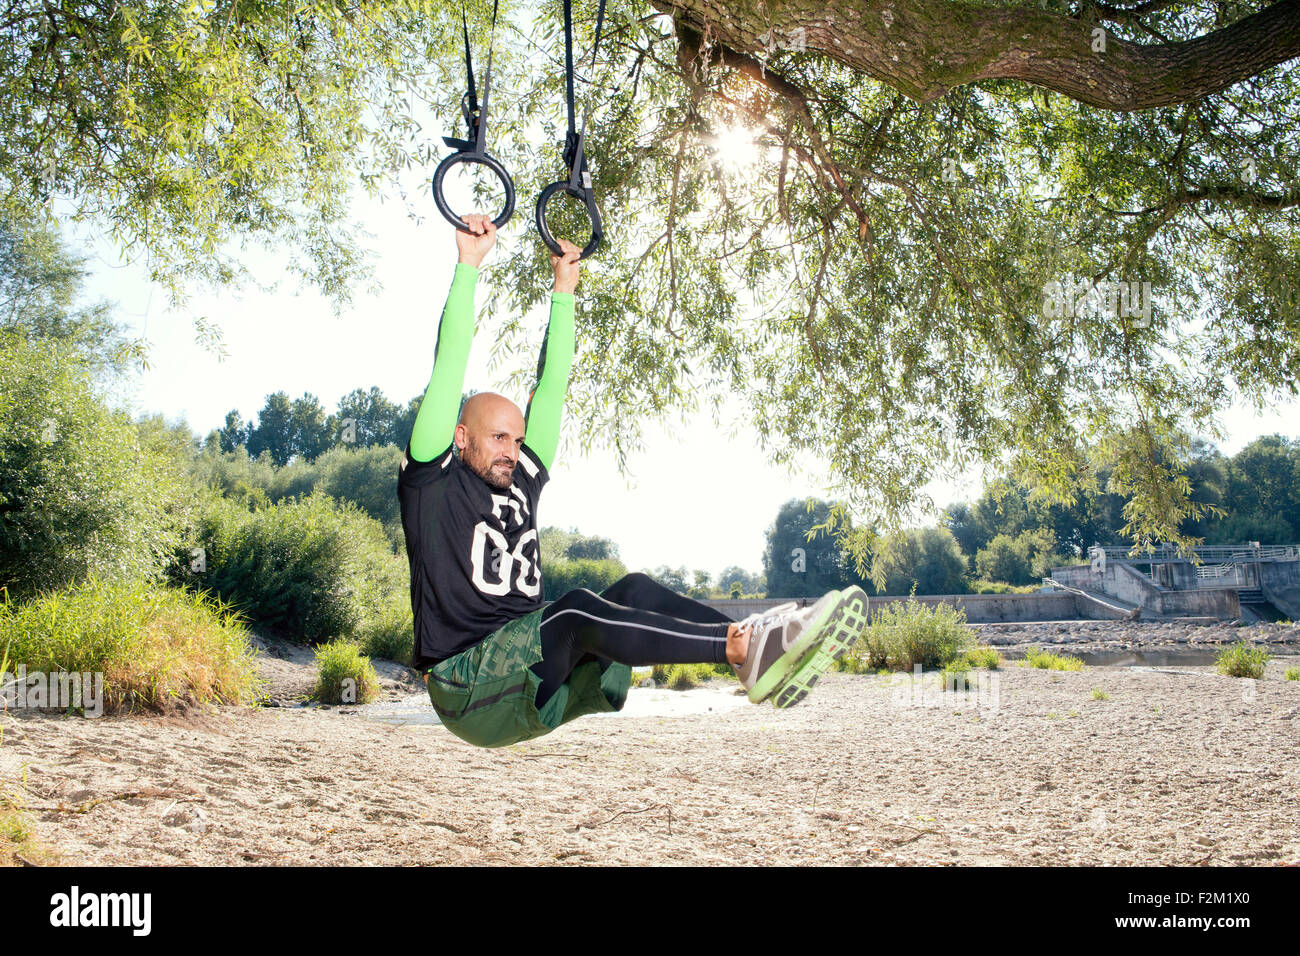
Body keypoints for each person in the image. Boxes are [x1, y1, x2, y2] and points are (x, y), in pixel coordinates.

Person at [397, 214, 869, 748]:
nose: (513, 451)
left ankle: (754, 652)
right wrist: (468, 266)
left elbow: (551, 388)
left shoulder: (522, 478)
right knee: (574, 606)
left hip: (532, 675)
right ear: (461, 438)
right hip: (468, 685)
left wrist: (564, 290)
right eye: (498, 438)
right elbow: (448, 368)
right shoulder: (431, 486)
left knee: (635, 588)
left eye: (518, 439)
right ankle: (740, 647)